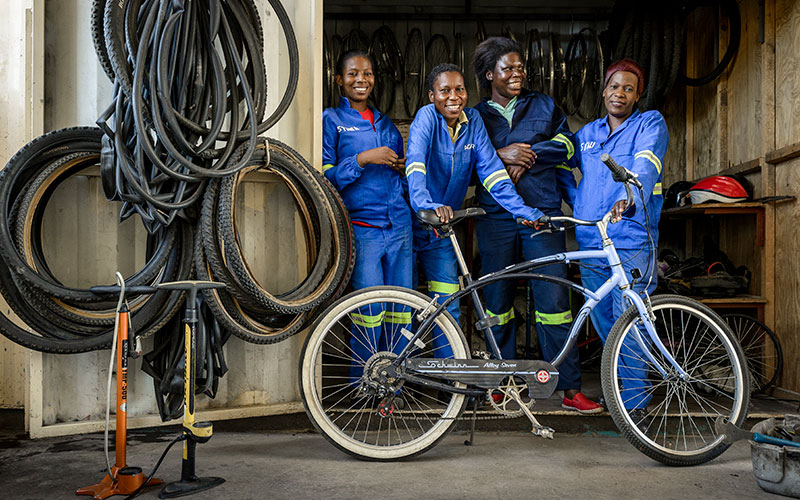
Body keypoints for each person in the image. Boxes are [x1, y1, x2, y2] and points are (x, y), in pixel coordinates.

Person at [471, 37, 600, 414]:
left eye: (520, 67)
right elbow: (467, 160)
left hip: (542, 214)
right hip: (495, 218)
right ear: (488, 74)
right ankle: (502, 385)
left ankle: (569, 389)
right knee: (496, 303)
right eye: (507, 68)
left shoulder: (543, 104)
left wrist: (528, 154)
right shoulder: (475, 116)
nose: (517, 73)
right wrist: (500, 154)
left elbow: (570, 146)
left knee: (555, 302)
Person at [405, 63, 541, 342]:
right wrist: (426, 205)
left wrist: (522, 209)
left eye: (459, 89)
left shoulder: (473, 122)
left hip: (442, 229)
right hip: (409, 224)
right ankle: (399, 380)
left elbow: (491, 171)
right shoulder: (426, 118)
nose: (453, 97)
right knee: (403, 306)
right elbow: (415, 167)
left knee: (448, 306)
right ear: (432, 96)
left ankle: (450, 381)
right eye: (445, 91)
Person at [570, 58, 669, 419]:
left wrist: (629, 194)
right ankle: (618, 392)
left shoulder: (649, 123)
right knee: (603, 321)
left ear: (637, 94)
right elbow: (567, 169)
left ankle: (635, 404)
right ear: (604, 89)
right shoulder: (587, 134)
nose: (620, 94)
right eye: (615, 86)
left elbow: (646, 163)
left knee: (630, 318)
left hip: (629, 236)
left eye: (628, 88)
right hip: (590, 237)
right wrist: (577, 197)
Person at [322, 50, 413, 379]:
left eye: (368, 73)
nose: (361, 79)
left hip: (400, 228)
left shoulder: (387, 123)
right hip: (364, 229)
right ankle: (364, 382)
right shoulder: (330, 120)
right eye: (352, 74)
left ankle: (396, 382)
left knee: (402, 311)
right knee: (368, 310)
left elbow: (401, 176)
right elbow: (323, 176)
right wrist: (362, 159)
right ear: (339, 80)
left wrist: (401, 169)